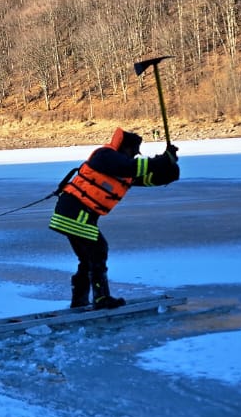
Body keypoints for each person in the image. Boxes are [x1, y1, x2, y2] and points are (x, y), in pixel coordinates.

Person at [49, 128, 180, 309]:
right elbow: (131, 167)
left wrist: (170, 165)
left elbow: (153, 177)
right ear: (123, 147)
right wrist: (161, 160)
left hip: (76, 215)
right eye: (133, 151)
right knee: (98, 250)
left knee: (88, 259)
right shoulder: (105, 156)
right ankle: (101, 298)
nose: (134, 156)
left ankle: (79, 302)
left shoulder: (122, 168)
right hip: (75, 212)